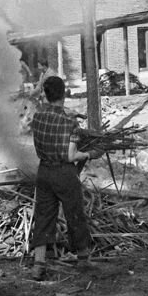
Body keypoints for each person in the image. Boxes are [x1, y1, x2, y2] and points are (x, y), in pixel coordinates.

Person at [26, 74, 93, 282]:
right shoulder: (70, 123)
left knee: (43, 216)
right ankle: (83, 259)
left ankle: (38, 264)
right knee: (75, 214)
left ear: (46, 95)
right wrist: (87, 154)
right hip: (64, 173)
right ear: (64, 94)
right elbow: (71, 156)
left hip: (44, 172)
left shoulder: (37, 118)